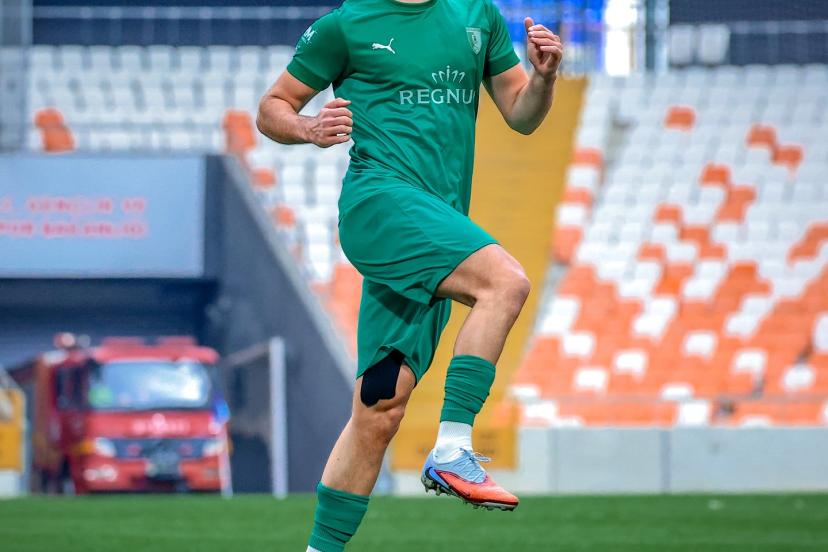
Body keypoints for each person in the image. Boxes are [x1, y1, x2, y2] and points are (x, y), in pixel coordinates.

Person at [257, 0, 562, 549]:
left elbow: (521, 114)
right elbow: (272, 106)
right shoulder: (346, 25)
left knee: (379, 408)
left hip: (435, 222)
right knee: (505, 282)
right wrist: (308, 127)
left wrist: (544, 78)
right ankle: (452, 447)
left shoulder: (477, 15)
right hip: (380, 205)